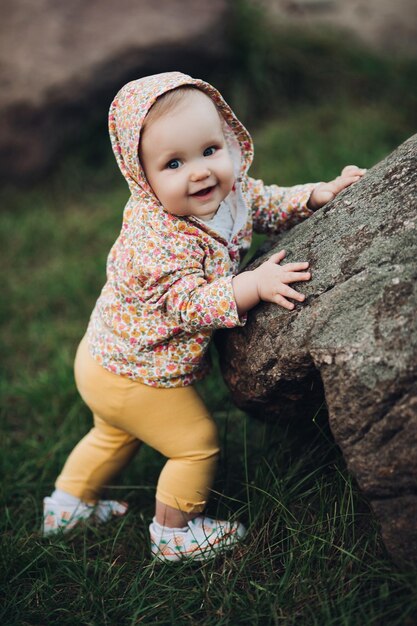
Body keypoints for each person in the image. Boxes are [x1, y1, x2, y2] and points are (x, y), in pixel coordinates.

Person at [42, 71, 365, 561]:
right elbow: (189, 304)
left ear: (229, 141)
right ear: (141, 175)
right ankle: (175, 532)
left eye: (210, 150)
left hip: (104, 359)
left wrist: (314, 195)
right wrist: (251, 286)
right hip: (135, 374)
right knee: (195, 442)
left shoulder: (227, 195)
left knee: (112, 433)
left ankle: (67, 508)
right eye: (174, 163)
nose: (200, 172)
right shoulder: (158, 240)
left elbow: (263, 203)